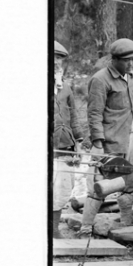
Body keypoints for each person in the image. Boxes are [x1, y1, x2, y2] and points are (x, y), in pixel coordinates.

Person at [81, 38, 133, 231]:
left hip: (132, 139)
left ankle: (126, 221)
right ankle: (86, 227)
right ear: (115, 59)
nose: (131, 64)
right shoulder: (100, 79)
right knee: (101, 182)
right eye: (127, 60)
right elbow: (94, 113)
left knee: (131, 179)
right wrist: (97, 142)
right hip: (110, 141)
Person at [52, 41, 84, 238]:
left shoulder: (66, 88)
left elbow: (73, 117)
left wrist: (78, 144)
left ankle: (54, 229)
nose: (57, 64)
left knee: (62, 188)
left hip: (65, 146)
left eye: (60, 61)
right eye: (53, 59)